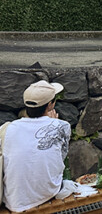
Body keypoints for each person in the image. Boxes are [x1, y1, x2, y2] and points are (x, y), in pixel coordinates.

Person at [2, 81, 70, 212]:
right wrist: (54, 124)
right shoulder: (62, 126)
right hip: (47, 192)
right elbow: (61, 157)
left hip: (13, 199)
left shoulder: (8, 128)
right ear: (50, 105)